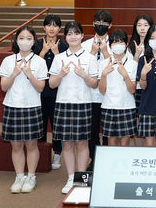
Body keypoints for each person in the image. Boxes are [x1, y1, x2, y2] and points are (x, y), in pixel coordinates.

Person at [49, 21, 99, 194]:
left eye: (76, 33)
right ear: (65, 37)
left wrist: (84, 75)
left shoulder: (90, 58)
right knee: (67, 144)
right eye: (69, 34)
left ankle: (80, 177)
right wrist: (61, 74)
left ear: (82, 35)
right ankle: (70, 178)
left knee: (82, 143)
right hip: (63, 104)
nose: (73, 36)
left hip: (83, 103)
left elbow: (94, 84)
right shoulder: (58, 58)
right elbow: (52, 84)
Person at [0, 26, 47, 194]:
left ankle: (31, 176)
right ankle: (19, 176)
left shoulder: (40, 62)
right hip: (13, 106)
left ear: (34, 41)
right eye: (21, 38)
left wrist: (29, 74)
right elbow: (3, 87)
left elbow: (40, 87)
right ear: (16, 40)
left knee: (31, 144)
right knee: (16, 145)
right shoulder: (8, 61)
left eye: (28, 38)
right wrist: (13, 73)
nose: (25, 41)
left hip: (32, 106)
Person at [81, 10, 113, 169]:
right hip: (90, 95)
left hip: (108, 96)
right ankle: (93, 160)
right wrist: (93, 52)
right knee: (92, 131)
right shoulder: (85, 45)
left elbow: (116, 66)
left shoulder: (116, 43)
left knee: (107, 130)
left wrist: (106, 51)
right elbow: (81, 68)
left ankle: (106, 159)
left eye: (104, 23)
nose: (101, 25)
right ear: (93, 24)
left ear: (110, 25)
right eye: (98, 22)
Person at [37, 14, 67, 170]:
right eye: (49, 25)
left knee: (57, 125)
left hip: (58, 93)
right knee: (40, 124)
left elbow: (67, 67)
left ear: (59, 29)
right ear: (44, 27)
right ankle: (42, 153)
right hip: (40, 92)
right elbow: (32, 67)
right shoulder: (36, 44)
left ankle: (57, 153)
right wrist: (42, 53)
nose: (51, 28)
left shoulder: (64, 46)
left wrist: (56, 54)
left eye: (55, 25)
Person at [98, 29, 138, 147]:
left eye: (121, 42)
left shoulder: (133, 64)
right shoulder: (103, 64)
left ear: (126, 44)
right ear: (110, 46)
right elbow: (102, 90)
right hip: (108, 106)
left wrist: (125, 74)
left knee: (124, 144)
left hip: (127, 106)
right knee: (112, 143)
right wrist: (104, 74)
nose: (118, 45)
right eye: (114, 42)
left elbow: (132, 90)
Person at [129, 14, 154, 146]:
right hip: (137, 89)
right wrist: (137, 55)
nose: (142, 28)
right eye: (139, 25)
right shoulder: (130, 45)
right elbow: (130, 71)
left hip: (152, 89)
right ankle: (138, 151)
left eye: (145, 25)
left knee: (151, 124)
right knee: (137, 124)